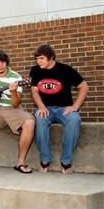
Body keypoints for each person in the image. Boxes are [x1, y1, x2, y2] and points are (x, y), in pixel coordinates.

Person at [30, 44, 88, 174]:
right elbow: (34, 91)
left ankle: (66, 162)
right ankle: (45, 160)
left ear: (51, 57)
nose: (38, 62)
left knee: (74, 119)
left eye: (41, 59)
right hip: (46, 108)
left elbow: (83, 86)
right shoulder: (35, 70)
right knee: (39, 120)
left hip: (64, 109)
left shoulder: (65, 69)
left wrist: (75, 106)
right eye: (37, 59)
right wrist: (41, 106)